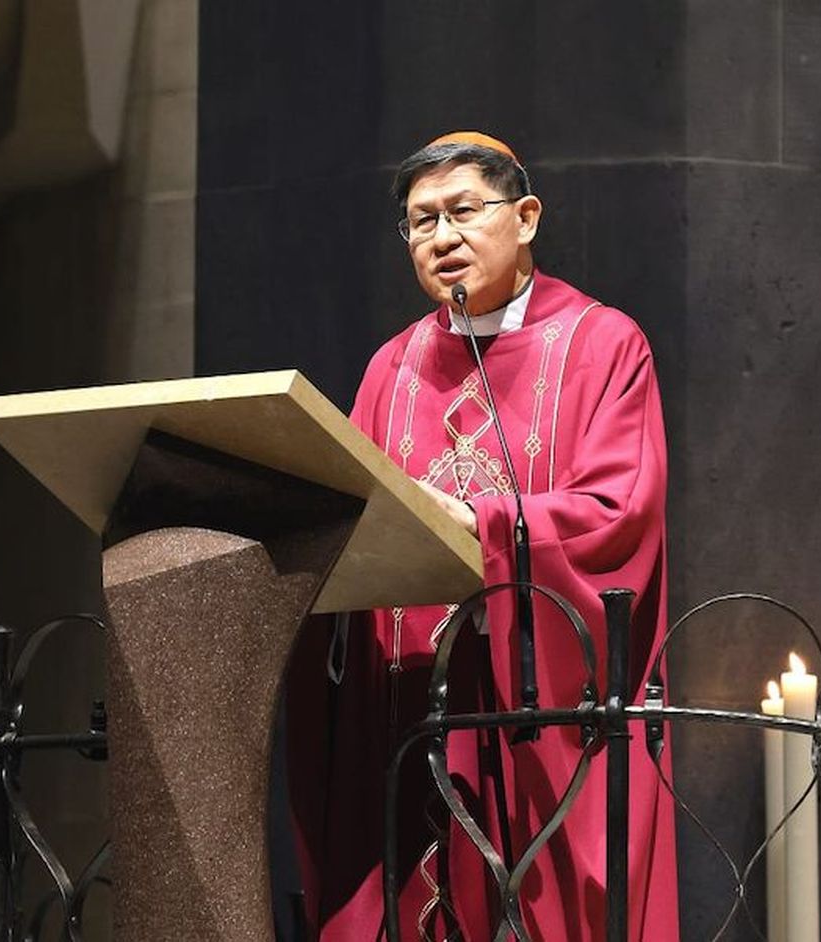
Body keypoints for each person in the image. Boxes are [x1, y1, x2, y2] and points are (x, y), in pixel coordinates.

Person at [283, 131, 680, 940]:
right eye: (421, 221)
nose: (442, 237)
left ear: (526, 217)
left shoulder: (603, 345)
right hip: (410, 710)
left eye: (463, 211)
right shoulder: (391, 369)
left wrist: (485, 522)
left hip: (537, 713)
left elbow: (620, 509)